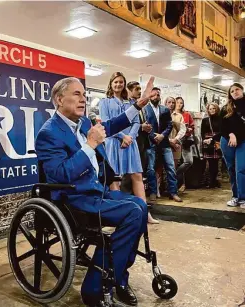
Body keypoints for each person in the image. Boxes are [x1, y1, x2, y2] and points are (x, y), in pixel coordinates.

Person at [35, 76, 156, 307]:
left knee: (140, 205)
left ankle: (118, 276)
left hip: (94, 192)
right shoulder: (48, 133)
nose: (84, 99)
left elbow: (110, 126)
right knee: (132, 211)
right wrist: (89, 145)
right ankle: (94, 287)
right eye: (77, 94)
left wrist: (138, 105)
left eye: (84, 94)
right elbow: (60, 175)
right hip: (73, 200)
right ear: (59, 100)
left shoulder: (82, 124)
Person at [99, 74, 159, 224]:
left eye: (121, 82)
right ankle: (119, 213)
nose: (118, 84)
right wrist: (122, 137)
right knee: (115, 179)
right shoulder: (104, 102)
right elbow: (107, 123)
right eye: (115, 82)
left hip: (130, 144)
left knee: (137, 176)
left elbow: (136, 122)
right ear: (111, 84)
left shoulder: (130, 102)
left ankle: (145, 213)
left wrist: (130, 137)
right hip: (113, 143)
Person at [144, 87, 182, 202]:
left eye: (158, 95)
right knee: (150, 169)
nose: (156, 97)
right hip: (151, 143)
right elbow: (144, 126)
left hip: (164, 143)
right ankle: (152, 192)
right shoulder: (145, 109)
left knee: (170, 168)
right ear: (150, 96)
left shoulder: (165, 109)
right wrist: (154, 137)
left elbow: (169, 125)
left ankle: (173, 192)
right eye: (154, 94)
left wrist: (162, 136)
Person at [219, 83, 245, 208]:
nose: (235, 92)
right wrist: (231, 134)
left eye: (237, 89)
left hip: (243, 141)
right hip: (227, 140)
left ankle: (243, 198)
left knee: (241, 168)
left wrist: (237, 135)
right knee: (231, 169)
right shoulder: (226, 108)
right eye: (232, 91)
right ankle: (235, 196)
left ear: (242, 90)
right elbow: (221, 127)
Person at [175, 97, 194, 193]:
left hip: (186, 140)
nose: (179, 104)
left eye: (181, 103)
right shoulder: (172, 114)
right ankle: (180, 184)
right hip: (175, 140)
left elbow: (192, 126)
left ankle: (175, 174)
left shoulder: (186, 114)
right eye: (177, 102)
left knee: (188, 161)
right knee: (177, 162)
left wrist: (189, 129)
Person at [201, 103, 222, 188]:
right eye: (210, 109)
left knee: (216, 163)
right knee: (209, 162)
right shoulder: (205, 120)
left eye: (214, 108)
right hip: (207, 143)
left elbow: (222, 131)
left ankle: (214, 181)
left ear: (217, 109)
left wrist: (212, 139)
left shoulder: (221, 119)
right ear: (208, 110)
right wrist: (204, 140)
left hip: (216, 141)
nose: (212, 110)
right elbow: (202, 132)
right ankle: (211, 181)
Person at [164, 96, 186, 174]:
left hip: (176, 144)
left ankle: (172, 185)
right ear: (165, 103)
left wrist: (175, 139)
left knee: (173, 168)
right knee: (163, 167)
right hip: (164, 143)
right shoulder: (161, 114)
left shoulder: (179, 116)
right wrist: (169, 141)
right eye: (169, 102)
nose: (171, 104)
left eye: (173, 102)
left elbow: (183, 129)